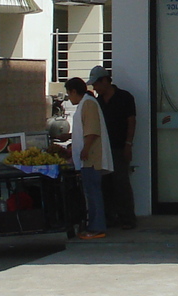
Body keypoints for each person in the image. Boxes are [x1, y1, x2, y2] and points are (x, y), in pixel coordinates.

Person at [55, 76, 111, 239]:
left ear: (73, 91)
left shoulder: (88, 103)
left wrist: (85, 150)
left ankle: (97, 227)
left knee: (93, 193)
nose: (69, 97)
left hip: (91, 158)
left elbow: (92, 131)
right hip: (87, 157)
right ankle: (94, 226)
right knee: (91, 192)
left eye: (69, 93)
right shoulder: (85, 104)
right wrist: (71, 136)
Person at [90, 65, 138, 230]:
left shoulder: (125, 97)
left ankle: (128, 218)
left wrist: (128, 144)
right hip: (102, 149)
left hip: (119, 147)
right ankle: (110, 217)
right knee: (105, 184)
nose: (95, 88)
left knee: (121, 183)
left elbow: (131, 122)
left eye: (96, 84)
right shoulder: (97, 102)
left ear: (105, 81)